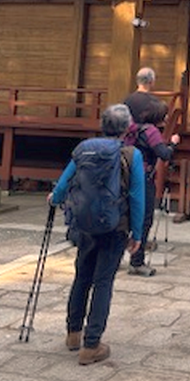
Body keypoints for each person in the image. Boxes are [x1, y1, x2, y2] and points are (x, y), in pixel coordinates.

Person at [48, 103, 145, 364]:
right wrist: (137, 233)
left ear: (103, 126)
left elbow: (66, 180)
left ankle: (73, 332)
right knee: (103, 281)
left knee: (82, 276)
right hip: (115, 225)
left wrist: (55, 198)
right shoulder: (131, 155)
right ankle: (92, 344)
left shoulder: (84, 149)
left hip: (85, 222)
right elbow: (136, 195)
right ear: (127, 128)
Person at [123, 97, 180, 276]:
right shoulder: (151, 131)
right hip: (143, 179)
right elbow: (164, 154)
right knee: (144, 218)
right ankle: (137, 261)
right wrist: (172, 143)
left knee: (124, 217)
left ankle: (115, 256)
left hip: (125, 177)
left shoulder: (131, 129)